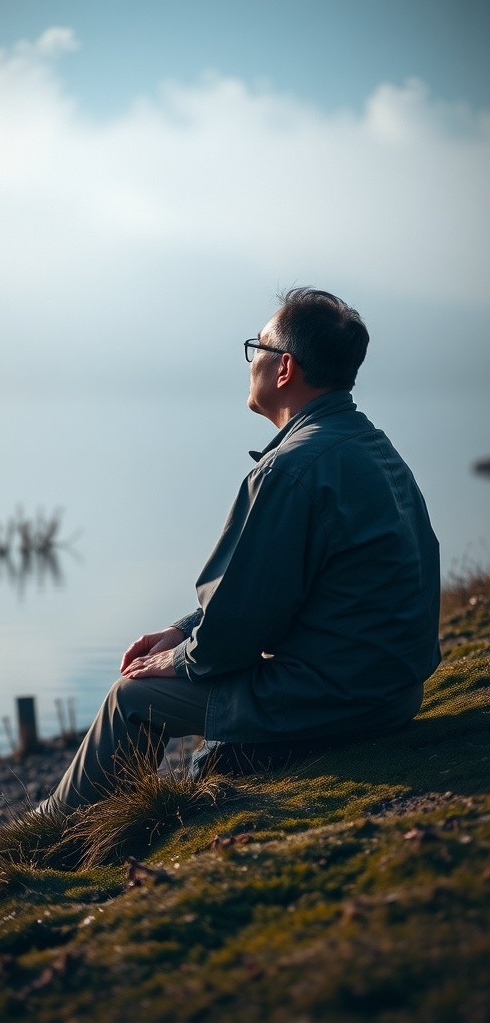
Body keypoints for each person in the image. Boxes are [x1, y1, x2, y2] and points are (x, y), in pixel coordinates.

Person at [38, 287, 440, 815]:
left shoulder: (291, 469)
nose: (252, 362)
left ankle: (43, 839)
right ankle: (106, 827)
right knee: (211, 748)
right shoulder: (370, 445)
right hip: (393, 691)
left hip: (340, 698)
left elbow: (235, 634)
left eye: (259, 348)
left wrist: (178, 657)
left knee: (131, 700)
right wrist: (184, 629)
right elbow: (271, 595)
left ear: (284, 369)